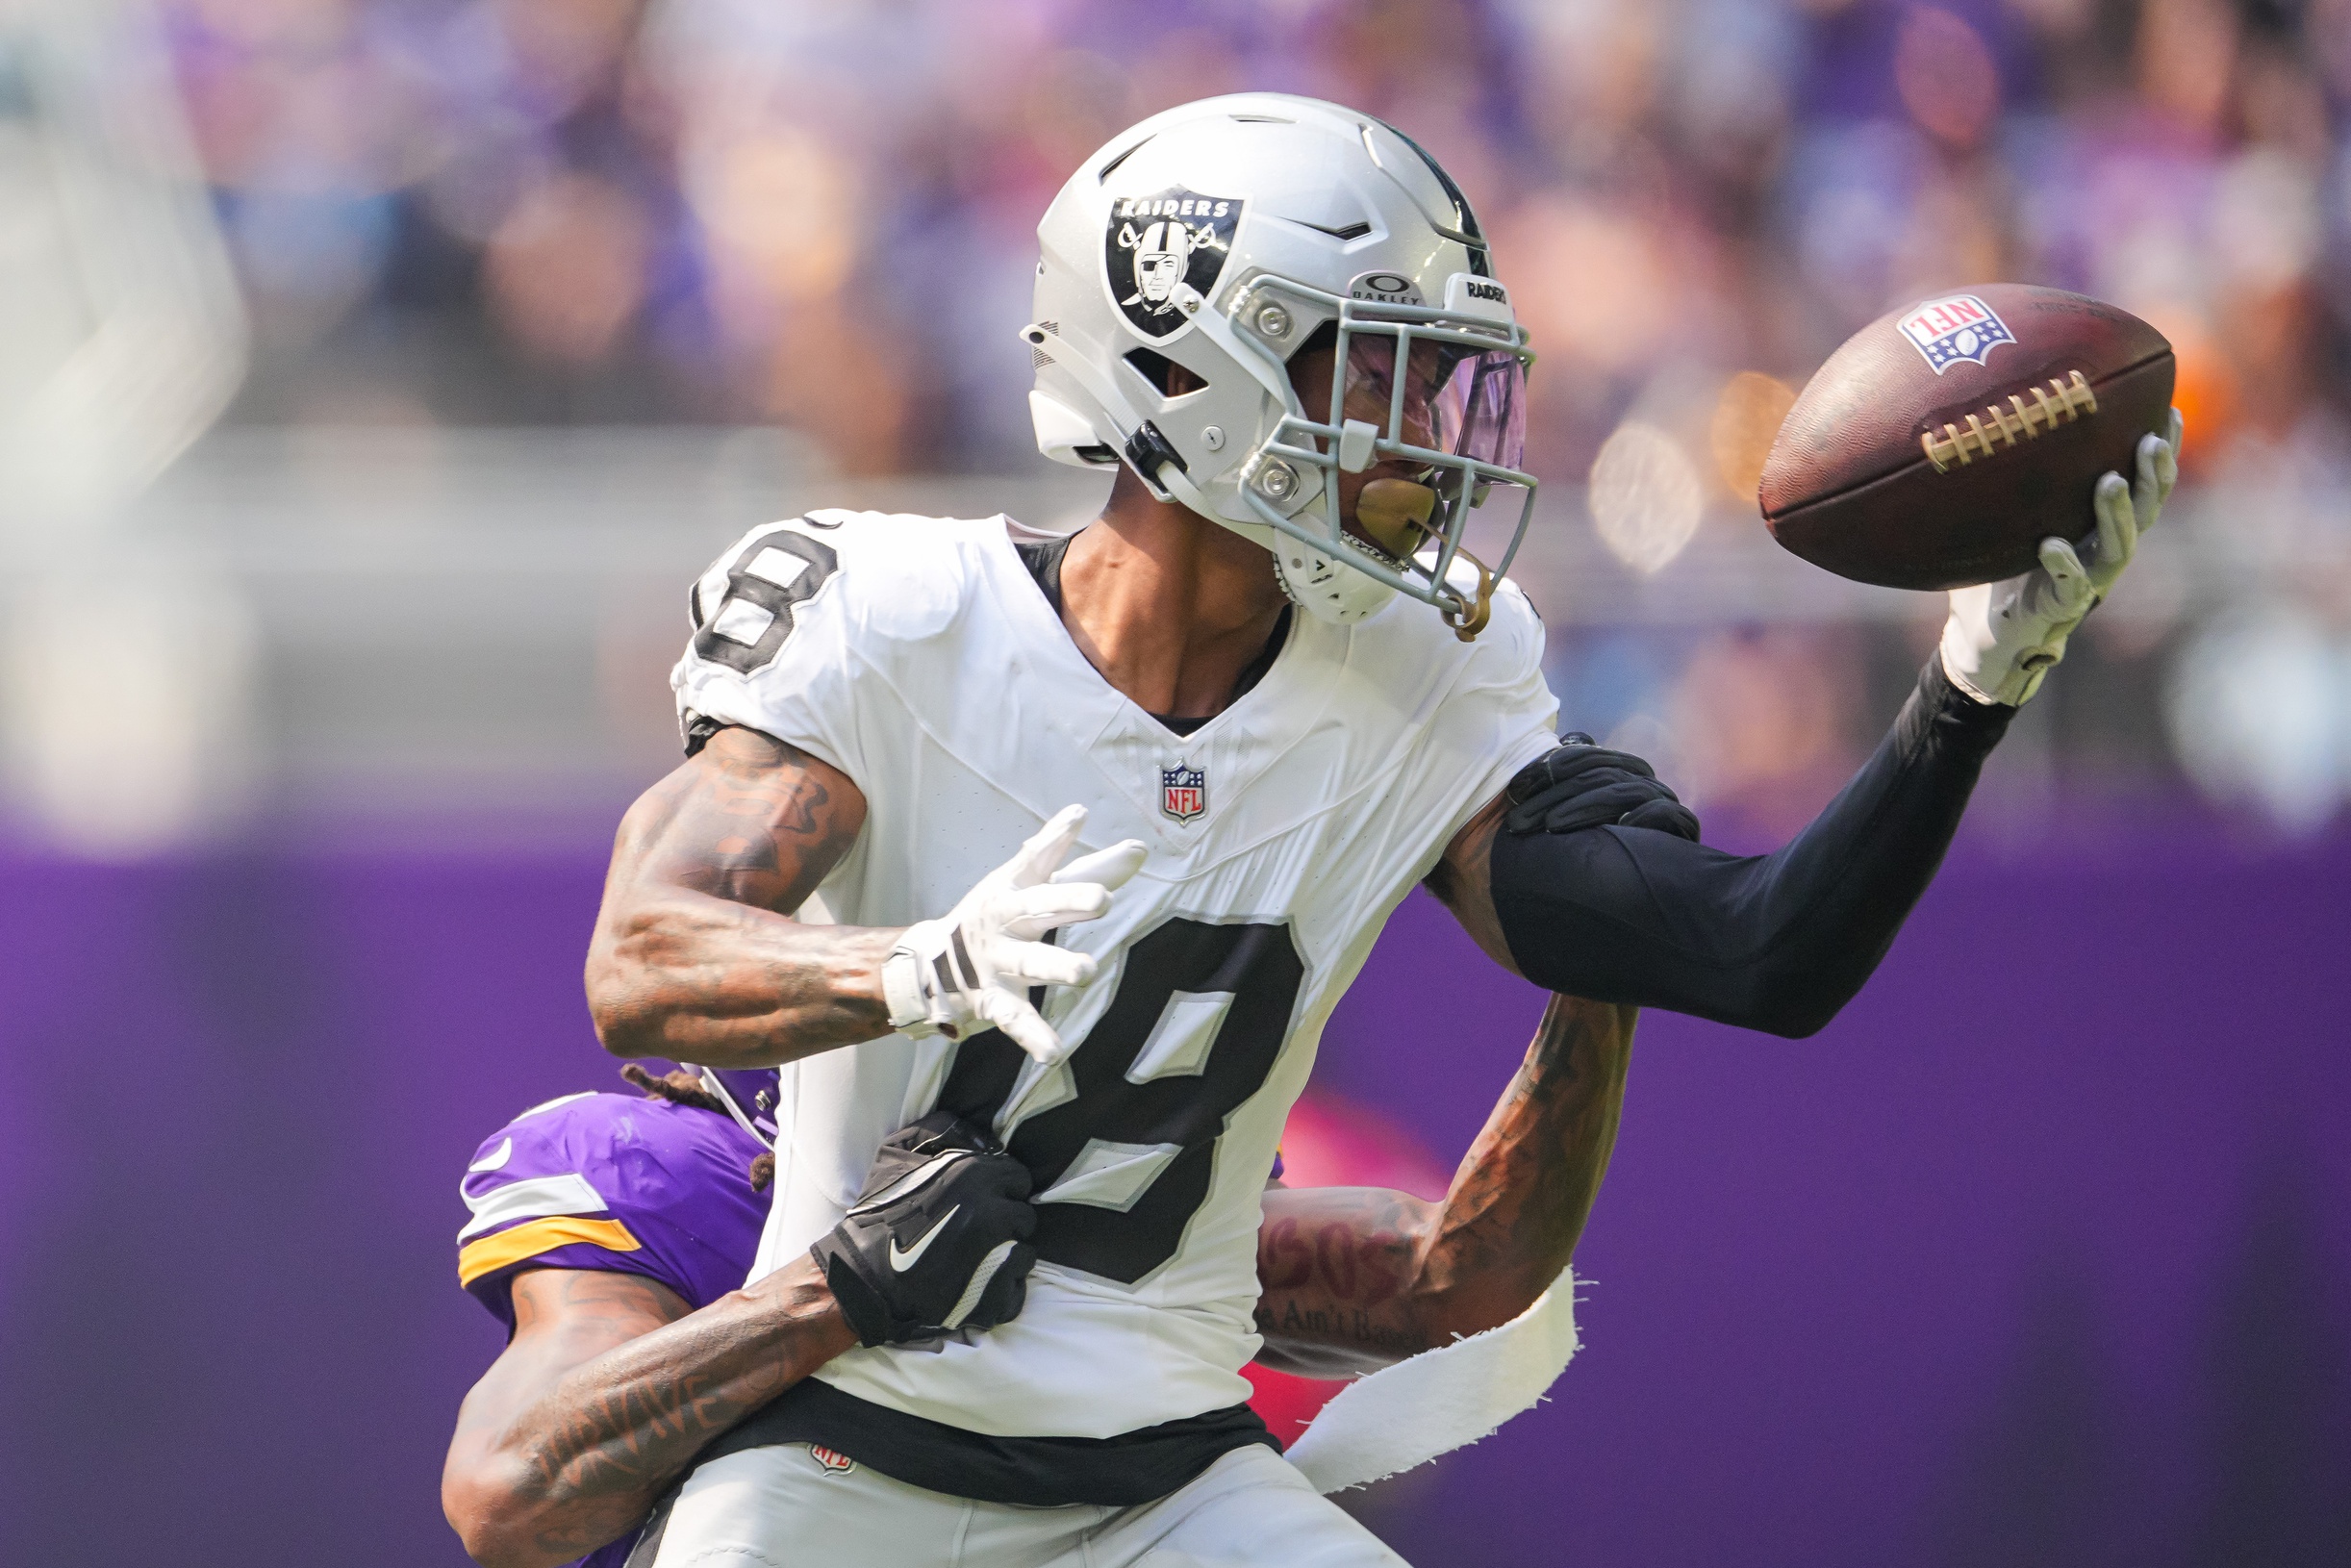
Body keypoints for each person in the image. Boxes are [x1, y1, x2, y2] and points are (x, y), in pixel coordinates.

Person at [580, 92, 2176, 1567]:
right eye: (1379, 361)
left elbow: (1760, 955)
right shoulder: (893, 617)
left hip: (1170, 1485)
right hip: (844, 1455)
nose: (1435, 425)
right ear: (1193, 368)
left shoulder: (1421, 675)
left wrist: (1966, 689)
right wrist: (914, 966)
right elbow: (640, 961)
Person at [442, 996, 1635, 1568]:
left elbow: (1456, 1288)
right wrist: (837, 1290)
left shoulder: (1115, 1173)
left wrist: (1596, 987)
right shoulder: (678, 1171)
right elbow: (509, 1496)